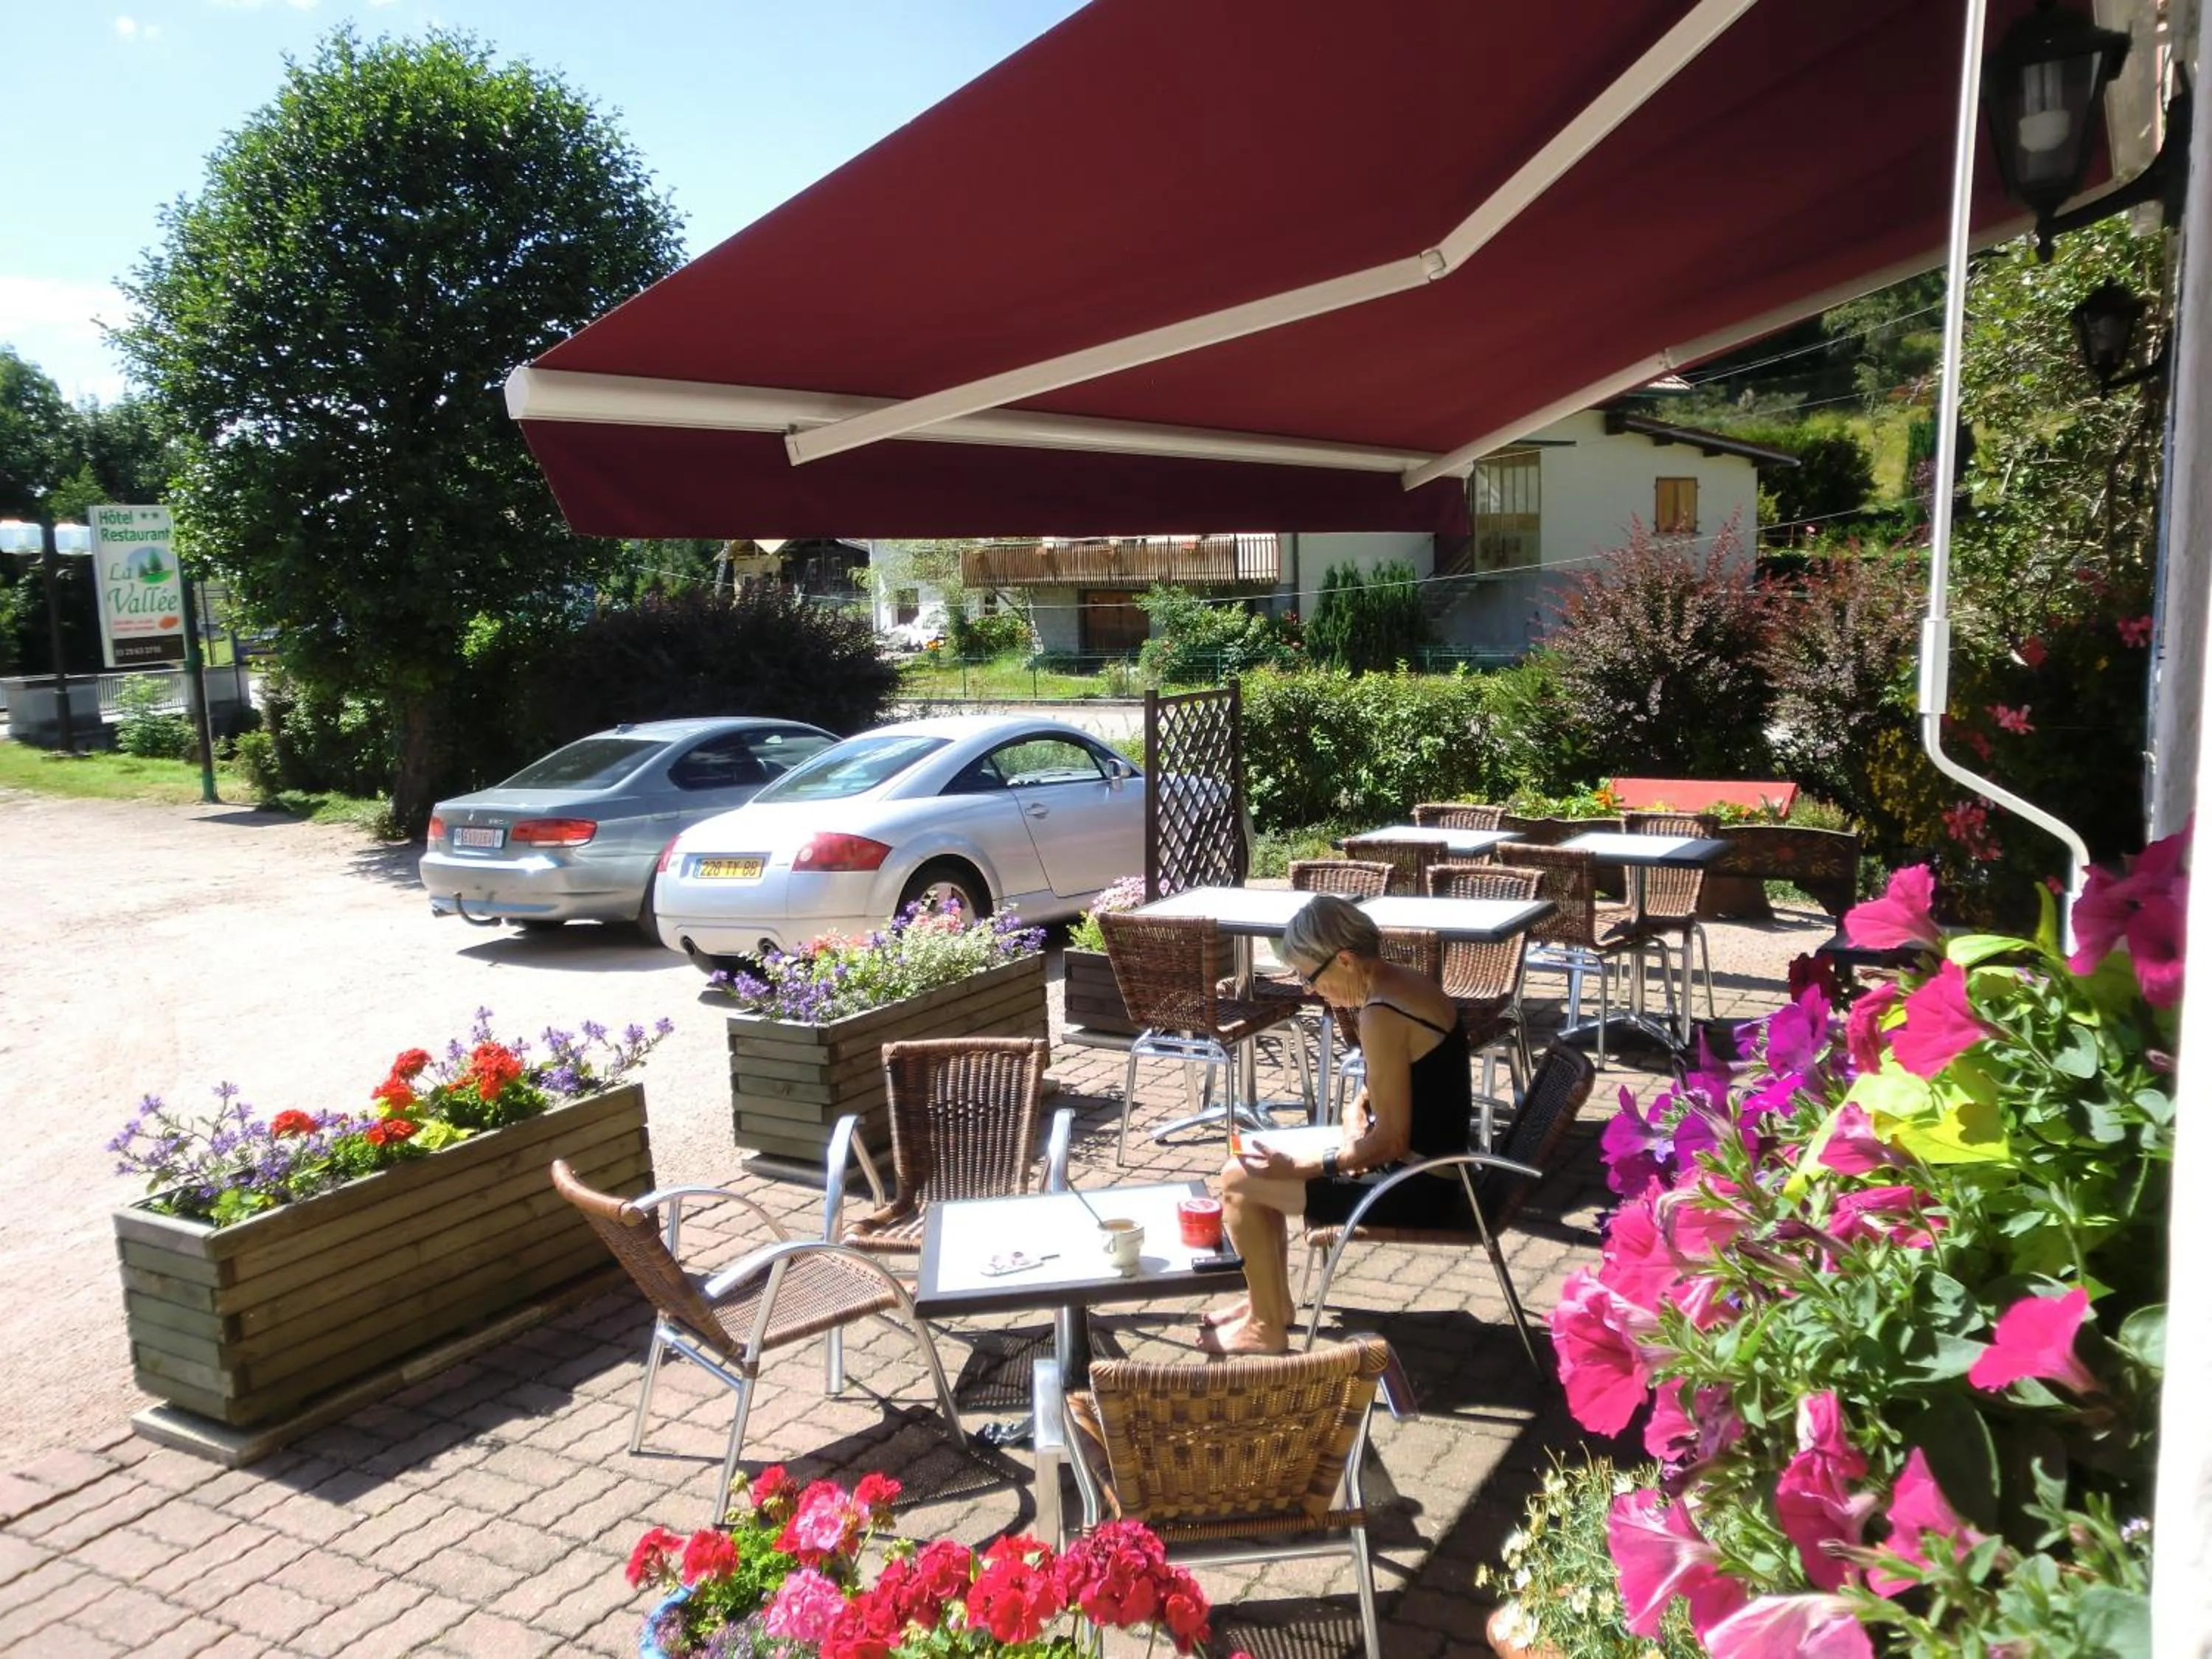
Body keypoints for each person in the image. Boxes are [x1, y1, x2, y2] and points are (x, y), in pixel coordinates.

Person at [1202, 892, 1472, 1354]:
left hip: (1418, 1188)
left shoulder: (1381, 1014)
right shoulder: (1402, 985)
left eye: (1311, 976)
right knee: (1252, 1156)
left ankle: (1267, 1326)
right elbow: (1409, 1075)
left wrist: (1309, 1165)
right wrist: (1357, 1108)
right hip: (1435, 1168)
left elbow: (1392, 1141)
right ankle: (1267, 1306)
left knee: (1239, 1179)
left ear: (1344, 960)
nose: (1309, 990)